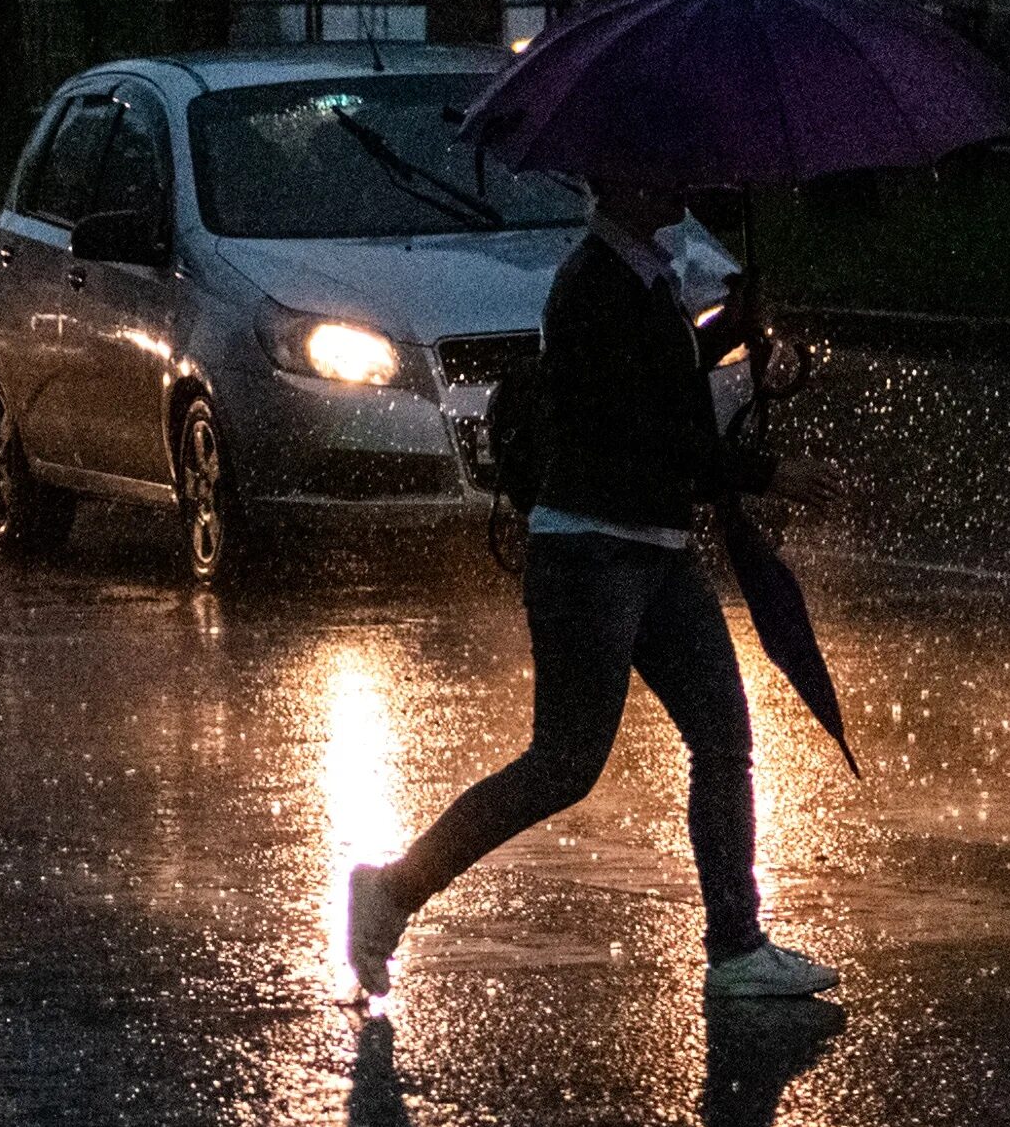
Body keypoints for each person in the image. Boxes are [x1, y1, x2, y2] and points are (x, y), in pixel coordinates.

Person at [346, 183, 845, 999]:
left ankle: (737, 945)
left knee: (723, 739)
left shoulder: (642, 277)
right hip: (592, 554)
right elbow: (657, 429)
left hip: (654, 550)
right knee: (562, 764)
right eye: (662, 158)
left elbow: (662, 380)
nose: (682, 173)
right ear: (621, 175)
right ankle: (392, 890)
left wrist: (728, 327)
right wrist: (770, 474)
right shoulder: (594, 285)